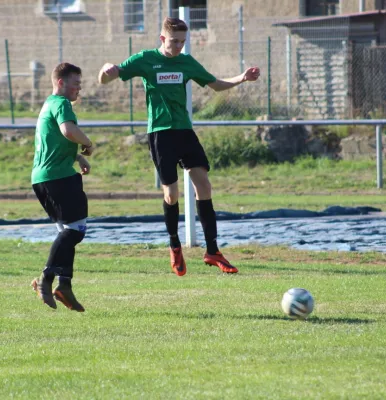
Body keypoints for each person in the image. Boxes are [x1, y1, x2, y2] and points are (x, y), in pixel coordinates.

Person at [98, 17, 260, 277]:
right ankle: (175, 245)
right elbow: (110, 77)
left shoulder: (186, 62)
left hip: (184, 131)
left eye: (183, 42)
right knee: (171, 195)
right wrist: (105, 71)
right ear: (162, 39)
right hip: (161, 134)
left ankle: (212, 251)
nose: (178, 47)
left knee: (204, 186)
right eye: (174, 42)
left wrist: (241, 78)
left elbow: (215, 84)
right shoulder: (145, 59)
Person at [30, 62, 94, 312]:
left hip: (44, 177)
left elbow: (54, 138)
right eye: (76, 83)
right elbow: (68, 130)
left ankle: (64, 285)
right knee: (76, 231)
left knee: (68, 232)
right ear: (60, 83)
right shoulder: (61, 103)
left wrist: (77, 157)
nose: (79, 88)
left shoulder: (49, 104)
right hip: (57, 177)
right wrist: (88, 143)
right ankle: (46, 279)